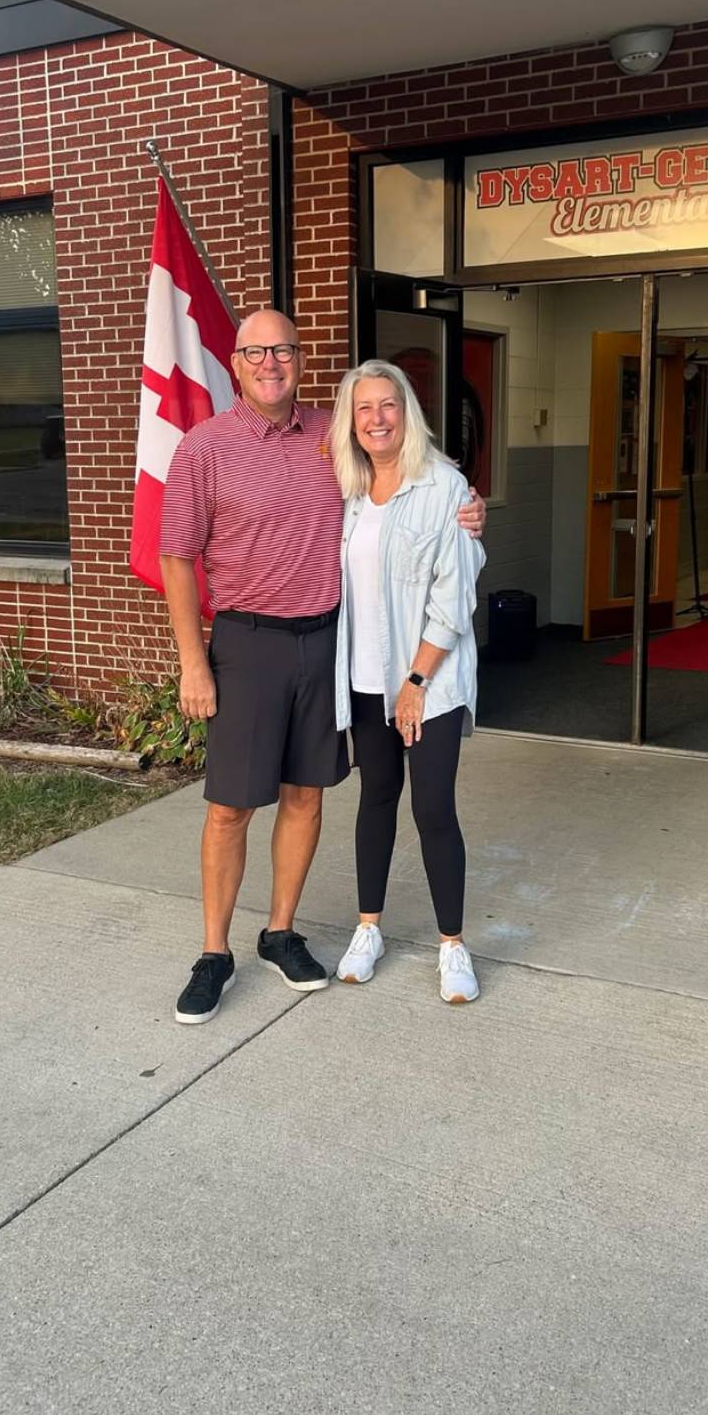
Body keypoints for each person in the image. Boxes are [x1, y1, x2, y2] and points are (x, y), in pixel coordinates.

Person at [158, 310, 484, 1025]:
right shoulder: (203, 448)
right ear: (236, 362)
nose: (271, 362)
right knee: (231, 806)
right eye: (257, 351)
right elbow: (176, 555)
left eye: (284, 349)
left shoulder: (330, 440)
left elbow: (409, 491)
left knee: (307, 796)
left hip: (326, 646)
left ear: (300, 359)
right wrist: (193, 660)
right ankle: (214, 953)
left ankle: (280, 931)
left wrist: (469, 507)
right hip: (247, 646)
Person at [329, 360, 485, 1004]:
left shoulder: (445, 488)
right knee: (375, 802)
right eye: (363, 408)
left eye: (387, 405)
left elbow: (455, 594)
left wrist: (417, 679)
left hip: (430, 682)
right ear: (352, 421)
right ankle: (370, 929)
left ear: (407, 412)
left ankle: (453, 944)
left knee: (432, 808)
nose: (376, 419)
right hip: (366, 682)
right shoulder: (346, 491)